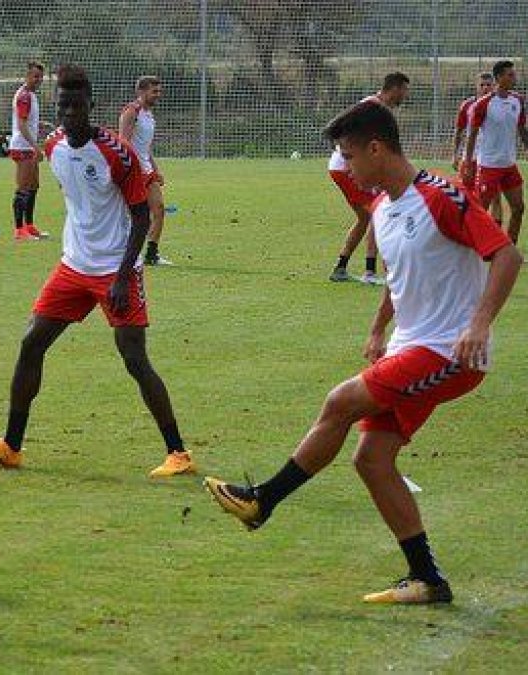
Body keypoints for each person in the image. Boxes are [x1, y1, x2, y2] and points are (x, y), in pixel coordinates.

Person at [205, 100, 521, 604]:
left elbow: (507, 254)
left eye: (349, 156)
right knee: (372, 459)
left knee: (339, 402)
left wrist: (480, 323)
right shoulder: (382, 207)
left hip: (449, 351)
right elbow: (398, 280)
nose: (346, 168)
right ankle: (427, 580)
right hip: (411, 346)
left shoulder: (442, 196)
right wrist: (378, 330)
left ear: (377, 149)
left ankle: (262, 500)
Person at [0, 64, 194, 479]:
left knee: (134, 359)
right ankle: (11, 445)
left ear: (91, 105)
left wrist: (124, 276)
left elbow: (141, 216)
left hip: (115, 269)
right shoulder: (52, 145)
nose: (70, 111)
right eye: (63, 104)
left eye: (77, 104)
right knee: (31, 343)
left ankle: (178, 453)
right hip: (73, 265)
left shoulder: (115, 152)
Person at [327, 72, 410, 284]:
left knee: (365, 218)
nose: (406, 95)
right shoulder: (372, 107)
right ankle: (370, 272)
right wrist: (349, 159)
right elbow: (343, 128)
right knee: (376, 212)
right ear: (395, 88)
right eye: (405, 90)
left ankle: (341, 267)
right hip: (347, 167)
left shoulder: (379, 108)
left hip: (347, 166)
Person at [462, 60, 527, 244]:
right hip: (489, 166)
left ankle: (509, 248)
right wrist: (468, 163)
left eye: (514, 74)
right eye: (510, 74)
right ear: (499, 78)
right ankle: (473, 248)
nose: (514, 77)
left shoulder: (518, 101)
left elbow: (522, 129)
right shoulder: (483, 104)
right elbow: (472, 135)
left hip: (509, 165)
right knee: (481, 211)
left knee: (518, 208)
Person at [119, 76, 169, 266]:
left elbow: (145, 147)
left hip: (146, 171)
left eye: (159, 91)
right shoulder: (132, 111)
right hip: (133, 171)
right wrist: (127, 170)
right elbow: (123, 142)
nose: (158, 95)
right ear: (141, 92)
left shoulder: (149, 115)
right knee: (135, 216)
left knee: (159, 209)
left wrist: (155, 170)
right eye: (154, 91)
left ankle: (151, 254)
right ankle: (126, 254)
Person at [452, 73, 503, 225]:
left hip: (490, 160)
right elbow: (459, 131)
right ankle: (464, 229)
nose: (485, 88)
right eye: (482, 85)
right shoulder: (467, 105)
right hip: (470, 158)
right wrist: (455, 155)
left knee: (495, 198)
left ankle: (495, 234)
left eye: (488, 84)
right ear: (477, 87)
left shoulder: (500, 105)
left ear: (494, 85)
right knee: (464, 196)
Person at [8, 61, 49, 241]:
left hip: (28, 145)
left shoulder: (31, 95)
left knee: (33, 186)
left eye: (40, 77)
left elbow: (28, 121)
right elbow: (21, 124)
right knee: (23, 188)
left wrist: (39, 124)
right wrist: (36, 147)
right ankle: (19, 230)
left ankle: (30, 226)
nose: (38, 80)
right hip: (22, 146)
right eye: (35, 76)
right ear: (27, 76)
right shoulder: (24, 96)